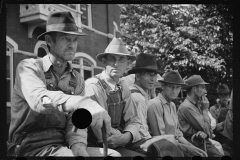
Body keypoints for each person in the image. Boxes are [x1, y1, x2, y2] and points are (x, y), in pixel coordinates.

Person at [7, 11, 120, 157]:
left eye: (75, 40)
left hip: (62, 144)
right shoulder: (29, 67)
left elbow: (76, 122)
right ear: (49, 40)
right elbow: (40, 100)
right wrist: (82, 102)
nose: (72, 45)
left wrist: (79, 147)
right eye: (66, 39)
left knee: (113, 156)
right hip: (27, 146)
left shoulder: (77, 79)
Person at [84, 37, 146, 157]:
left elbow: (134, 119)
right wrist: (122, 138)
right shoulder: (94, 86)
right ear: (104, 62)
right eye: (112, 59)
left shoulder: (123, 85)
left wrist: (127, 136)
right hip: (100, 144)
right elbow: (100, 129)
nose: (116, 64)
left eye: (121, 59)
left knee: (156, 149)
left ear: (128, 64)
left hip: (121, 139)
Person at [147, 70, 207, 157]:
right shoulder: (155, 104)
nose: (174, 91)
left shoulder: (172, 105)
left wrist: (192, 147)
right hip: (160, 150)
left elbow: (177, 134)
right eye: (171, 87)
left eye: (177, 87)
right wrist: (188, 148)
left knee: (201, 153)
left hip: (173, 146)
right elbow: (160, 139)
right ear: (163, 86)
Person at [177, 75, 224, 157]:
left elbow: (209, 131)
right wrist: (205, 110)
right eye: (203, 87)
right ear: (194, 89)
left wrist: (206, 133)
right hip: (195, 144)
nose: (205, 91)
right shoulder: (187, 107)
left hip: (202, 142)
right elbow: (206, 129)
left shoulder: (197, 105)